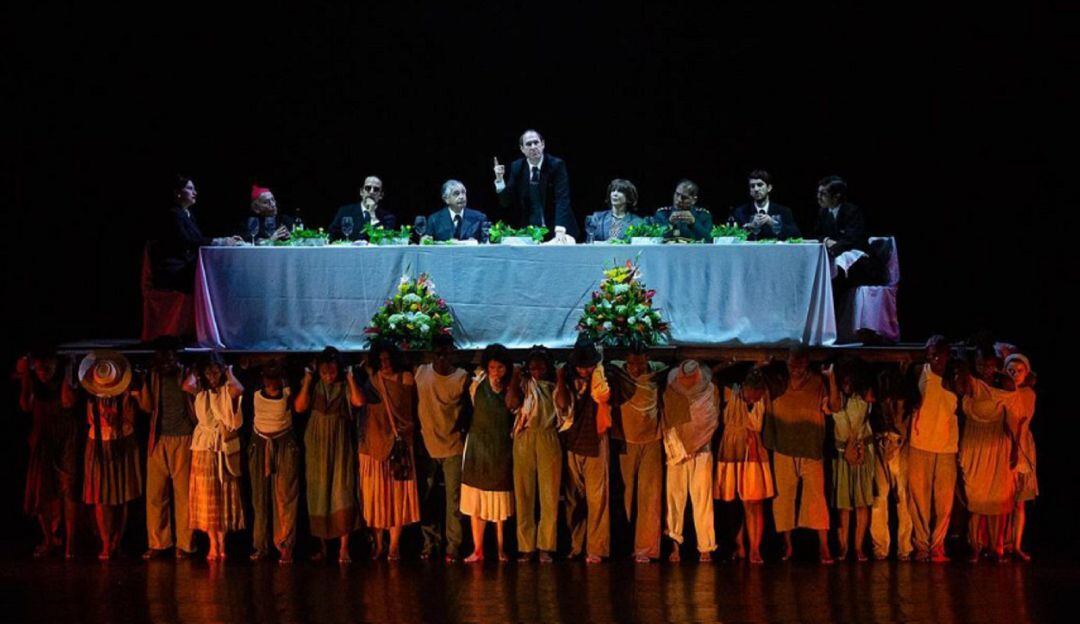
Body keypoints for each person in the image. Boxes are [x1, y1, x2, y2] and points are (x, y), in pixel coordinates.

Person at [763, 345, 840, 563]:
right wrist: (764, 366)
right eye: (792, 364)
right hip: (784, 447)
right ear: (787, 363)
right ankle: (788, 545)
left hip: (810, 447)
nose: (795, 369)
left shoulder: (817, 381)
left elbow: (834, 406)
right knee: (784, 499)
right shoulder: (778, 381)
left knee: (816, 497)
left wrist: (831, 378)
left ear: (807, 363)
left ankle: (824, 547)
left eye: (800, 364)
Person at [352, 341, 421, 561]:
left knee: (397, 497)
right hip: (372, 445)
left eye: (388, 359)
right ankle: (379, 544)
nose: (385, 364)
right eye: (380, 360)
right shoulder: (370, 380)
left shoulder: (405, 379)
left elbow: (410, 413)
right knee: (375, 496)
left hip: (399, 446)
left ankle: (394, 545)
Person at [294, 346, 359, 563]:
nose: (328, 376)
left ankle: (344, 548)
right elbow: (300, 407)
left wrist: (349, 377)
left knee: (342, 490)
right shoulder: (315, 386)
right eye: (324, 372)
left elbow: (359, 402)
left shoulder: (343, 385)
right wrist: (307, 378)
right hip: (317, 443)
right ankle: (321, 546)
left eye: (332, 372)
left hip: (339, 443)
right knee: (318, 492)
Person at [79, 350, 143, 560]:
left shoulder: (125, 395)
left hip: (123, 443)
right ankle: (106, 542)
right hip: (98, 445)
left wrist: (118, 418)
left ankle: (117, 541)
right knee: (101, 497)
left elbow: (130, 421)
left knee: (122, 496)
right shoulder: (90, 397)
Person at [137, 338, 198, 560]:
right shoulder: (154, 377)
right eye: (163, 358)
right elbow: (146, 407)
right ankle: (157, 543)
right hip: (159, 439)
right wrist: (143, 382)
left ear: (176, 357)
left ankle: (184, 544)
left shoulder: (187, 373)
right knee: (155, 495)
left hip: (183, 438)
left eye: (171, 357)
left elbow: (195, 395)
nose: (167, 362)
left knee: (183, 495)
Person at [605, 344, 666, 562]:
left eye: (640, 363)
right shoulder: (618, 371)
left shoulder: (657, 371)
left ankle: (646, 548)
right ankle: (624, 544)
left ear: (647, 359)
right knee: (626, 495)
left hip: (652, 440)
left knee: (650, 496)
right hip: (626, 441)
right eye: (632, 363)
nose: (636, 368)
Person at [16, 350, 79, 559]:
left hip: (65, 437)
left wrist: (67, 371)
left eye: (48, 368)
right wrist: (26, 375)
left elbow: (68, 401)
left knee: (68, 489)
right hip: (43, 438)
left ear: (55, 364)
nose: (44, 373)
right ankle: (49, 539)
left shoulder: (63, 378)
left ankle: (70, 544)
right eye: (40, 368)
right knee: (40, 491)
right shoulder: (34, 381)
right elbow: (25, 405)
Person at [414, 333, 470, 562]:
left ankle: (453, 545)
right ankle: (429, 542)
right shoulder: (421, 373)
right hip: (427, 445)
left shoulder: (462, 377)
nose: (442, 359)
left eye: (446, 354)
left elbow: (467, 411)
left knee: (454, 500)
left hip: (453, 445)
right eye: (438, 354)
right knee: (426, 497)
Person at [183, 352, 245, 561]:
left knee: (223, 494)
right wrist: (195, 370)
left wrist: (228, 371)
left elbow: (239, 389)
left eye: (215, 369)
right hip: (203, 447)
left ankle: (223, 543)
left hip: (223, 445)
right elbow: (186, 385)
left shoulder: (227, 390)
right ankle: (212, 543)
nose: (212, 374)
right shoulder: (200, 391)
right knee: (207, 495)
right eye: (208, 370)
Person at [555, 339, 611, 563]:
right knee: (573, 499)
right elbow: (561, 404)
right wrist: (561, 379)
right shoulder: (568, 378)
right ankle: (576, 545)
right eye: (580, 366)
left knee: (598, 500)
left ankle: (596, 548)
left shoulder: (601, 379)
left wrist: (596, 374)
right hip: (572, 443)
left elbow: (604, 396)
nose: (584, 370)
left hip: (595, 442)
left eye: (588, 365)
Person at [460, 345, 516, 563]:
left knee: (498, 500)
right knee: (477, 500)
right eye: (492, 367)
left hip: (500, 447)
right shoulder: (476, 384)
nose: (495, 371)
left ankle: (501, 548)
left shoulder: (511, 387)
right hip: (477, 446)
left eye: (500, 367)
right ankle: (478, 548)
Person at [957, 350, 1015, 562]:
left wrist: (1015, 448)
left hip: (996, 444)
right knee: (976, 500)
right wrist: (965, 366)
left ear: (996, 365)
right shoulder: (971, 383)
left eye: (990, 365)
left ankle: (996, 547)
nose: (986, 370)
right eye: (982, 365)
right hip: (974, 444)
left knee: (996, 502)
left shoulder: (1003, 385)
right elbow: (960, 386)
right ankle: (976, 546)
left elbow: (1012, 415)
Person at [506, 346, 562, 563]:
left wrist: (561, 379)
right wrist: (515, 377)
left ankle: (546, 546)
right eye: (533, 365)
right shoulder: (524, 385)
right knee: (524, 493)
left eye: (541, 365)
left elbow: (564, 405)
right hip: (525, 437)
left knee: (549, 495)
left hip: (548, 437)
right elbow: (511, 403)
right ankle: (526, 546)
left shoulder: (554, 386)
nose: (537, 369)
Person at [907, 336, 960, 562]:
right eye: (932, 354)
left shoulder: (956, 378)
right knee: (918, 498)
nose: (936, 358)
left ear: (948, 354)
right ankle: (921, 545)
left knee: (944, 500)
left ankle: (937, 546)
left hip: (947, 446)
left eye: (940, 353)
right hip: (920, 443)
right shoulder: (920, 372)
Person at [714, 368, 774, 564]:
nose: (754, 398)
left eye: (758, 394)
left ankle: (755, 548)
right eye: (752, 394)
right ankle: (739, 546)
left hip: (753, 449)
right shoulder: (730, 393)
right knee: (732, 501)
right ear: (745, 388)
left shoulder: (763, 398)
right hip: (732, 448)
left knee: (754, 501)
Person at [662, 360, 720, 562]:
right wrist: (679, 446)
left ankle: (705, 547)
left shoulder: (710, 390)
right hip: (677, 451)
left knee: (702, 499)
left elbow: (711, 419)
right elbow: (669, 419)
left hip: (702, 451)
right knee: (674, 499)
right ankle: (675, 546)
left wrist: (697, 441)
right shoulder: (672, 390)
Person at [150, 175, 241, 292]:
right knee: (218, 273)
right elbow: (189, 242)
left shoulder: (187, 213)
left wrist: (224, 240)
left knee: (223, 268)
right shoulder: (173, 214)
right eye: (190, 188)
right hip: (175, 268)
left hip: (187, 265)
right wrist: (221, 241)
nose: (195, 193)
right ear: (177, 192)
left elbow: (198, 239)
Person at [247, 363, 301, 564]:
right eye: (269, 378)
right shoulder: (255, 391)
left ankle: (285, 545)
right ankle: (260, 546)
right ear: (263, 379)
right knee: (259, 498)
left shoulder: (287, 392)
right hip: (259, 443)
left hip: (284, 442)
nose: (272, 383)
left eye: (275, 378)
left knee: (285, 496)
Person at [493, 129, 579, 239]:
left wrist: (560, 229)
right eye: (528, 144)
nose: (533, 147)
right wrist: (500, 180)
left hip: (558, 228)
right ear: (522, 149)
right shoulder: (517, 167)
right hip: (531, 232)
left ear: (542, 144)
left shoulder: (556, 165)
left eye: (536, 142)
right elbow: (505, 201)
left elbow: (562, 199)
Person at [831, 361, 876, 562]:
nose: (846, 383)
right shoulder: (836, 398)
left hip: (861, 451)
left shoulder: (863, 397)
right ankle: (844, 546)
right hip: (842, 453)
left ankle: (858, 547)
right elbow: (835, 409)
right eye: (843, 380)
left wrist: (857, 448)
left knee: (861, 502)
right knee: (844, 505)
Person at [870, 366, 914, 560]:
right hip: (883, 445)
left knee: (903, 498)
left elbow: (903, 427)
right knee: (879, 497)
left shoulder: (906, 404)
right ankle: (882, 547)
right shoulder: (879, 404)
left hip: (900, 446)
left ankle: (904, 547)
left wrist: (895, 441)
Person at [1003, 353, 1037, 561]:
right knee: (1002, 501)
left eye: (1019, 371)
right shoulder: (1002, 392)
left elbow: (1021, 422)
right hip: (1002, 447)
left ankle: (1016, 545)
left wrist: (1017, 450)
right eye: (1011, 371)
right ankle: (1001, 543)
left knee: (1019, 502)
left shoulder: (1028, 394)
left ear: (1026, 373)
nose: (1015, 375)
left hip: (1022, 447)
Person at [730, 170, 801, 240]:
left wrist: (774, 224)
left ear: (769, 188)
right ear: (750, 191)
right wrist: (750, 226)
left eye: (760, 185)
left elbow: (796, 235)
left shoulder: (783, 211)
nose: (756, 189)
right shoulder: (740, 212)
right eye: (752, 186)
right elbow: (731, 236)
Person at [328, 176, 398, 241]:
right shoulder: (345, 211)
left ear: (381, 195)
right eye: (368, 188)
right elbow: (332, 236)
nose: (371, 192)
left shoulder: (388, 217)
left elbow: (384, 240)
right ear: (361, 192)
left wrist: (372, 214)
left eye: (376, 189)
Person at [813, 176, 866, 257]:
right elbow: (817, 234)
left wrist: (834, 247)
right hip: (833, 253)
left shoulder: (852, 211)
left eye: (823, 194)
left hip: (854, 255)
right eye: (818, 193)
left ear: (836, 196)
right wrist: (826, 240)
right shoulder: (823, 212)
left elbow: (852, 239)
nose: (818, 197)